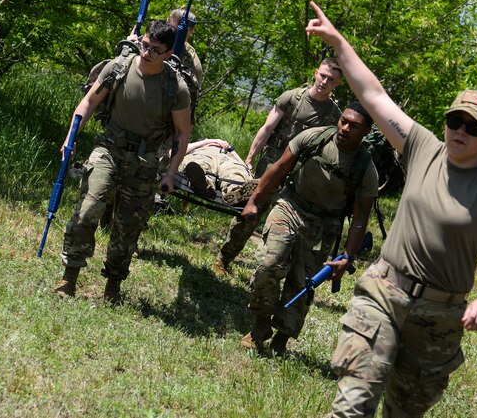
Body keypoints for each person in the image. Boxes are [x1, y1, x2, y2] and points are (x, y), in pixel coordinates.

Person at [305, 1, 477, 417]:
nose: (460, 131)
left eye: (473, 127)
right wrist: (338, 43)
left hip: (439, 317)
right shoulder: (424, 147)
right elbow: (373, 94)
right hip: (384, 292)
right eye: (455, 121)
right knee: (352, 406)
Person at [53, 20, 192, 306]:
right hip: (109, 148)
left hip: (145, 161)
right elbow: (88, 104)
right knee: (89, 208)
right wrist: (71, 138)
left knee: (128, 226)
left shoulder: (175, 87)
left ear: (168, 54)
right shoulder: (118, 68)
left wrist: (170, 173)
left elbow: (182, 133)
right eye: (144, 45)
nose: (146, 53)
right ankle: (70, 276)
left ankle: (113, 284)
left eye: (155, 50)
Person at [240, 102, 378, 356]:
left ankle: (282, 339)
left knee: (302, 285)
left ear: (366, 132)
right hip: (290, 206)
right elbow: (279, 168)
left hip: (324, 226)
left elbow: (360, 217)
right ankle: (260, 327)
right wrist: (253, 201)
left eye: (354, 126)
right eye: (344, 121)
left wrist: (347, 256)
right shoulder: (314, 138)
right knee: (268, 264)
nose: (345, 128)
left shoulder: (365, 169)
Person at [212, 58, 344, 276]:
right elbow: (267, 128)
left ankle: (265, 271)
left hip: (299, 175)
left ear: (337, 84)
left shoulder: (334, 116)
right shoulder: (292, 98)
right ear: (315, 73)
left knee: (284, 224)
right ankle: (223, 258)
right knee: (249, 213)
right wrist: (250, 158)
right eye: (322, 75)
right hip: (271, 165)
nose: (324, 81)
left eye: (331, 79)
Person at [178, 138, 258, 205]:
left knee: (235, 172)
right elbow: (174, 152)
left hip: (226, 158)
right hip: (204, 154)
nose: (218, 143)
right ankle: (204, 185)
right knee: (200, 165)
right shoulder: (198, 147)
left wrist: (230, 149)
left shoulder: (229, 152)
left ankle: (236, 192)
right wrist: (207, 141)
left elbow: (244, 166)